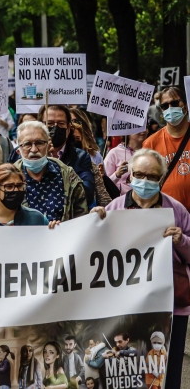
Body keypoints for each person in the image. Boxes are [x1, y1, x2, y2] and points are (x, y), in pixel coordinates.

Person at [91, 149, 190, 389]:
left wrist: (182, 241)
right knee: (131, 372)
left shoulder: (176, 210)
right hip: (128, 307)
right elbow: (95, 252)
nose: (145, 181)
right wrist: (93, 223)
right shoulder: (115, 208)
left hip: (170, 307)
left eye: (153, 176)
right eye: (140, 174)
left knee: (167, 371)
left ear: (161, 179)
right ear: (131, 174)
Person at [12, 121, 87, 221]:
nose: (34, 150)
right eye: (27, 144)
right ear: (18, 150)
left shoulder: (68, 176)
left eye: (39, 143)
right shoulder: (7, 180)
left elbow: (81, 217)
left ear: (48, 146)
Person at [143, 85, 190, 210]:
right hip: (168, 213)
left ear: (185, 105)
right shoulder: (151, 143)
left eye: (174, 103)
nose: (170, 108)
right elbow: (146, 182)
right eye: (165, 106)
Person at [40, 105, 95, 205]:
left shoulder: (81, 157)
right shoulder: (25, 153)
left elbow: (87, 195)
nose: (55, 128)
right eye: (50, 123)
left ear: (69, 128)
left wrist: (55, 164)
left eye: (61, 124)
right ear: (40, 127)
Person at [104, 130, 146, 195]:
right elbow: (104, 184)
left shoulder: (149, 151)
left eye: (146, 127)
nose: (143, 130)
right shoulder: (114, 153)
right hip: (121, 201)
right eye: (138, 127)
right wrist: (117, 175)